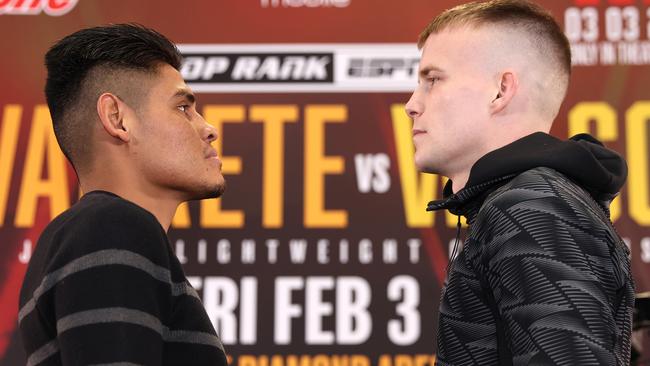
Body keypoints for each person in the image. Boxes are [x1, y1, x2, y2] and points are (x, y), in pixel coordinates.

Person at [405, 1, 634, 365]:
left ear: (501, 90)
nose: (412, 104)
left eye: (433, 80)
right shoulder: (525, 202)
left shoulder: (531, 206)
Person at [18, 24, 228, 365]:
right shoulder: (111, 227)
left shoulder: (82, 235)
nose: (208, 128)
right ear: (118, 119)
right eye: (182, 108)